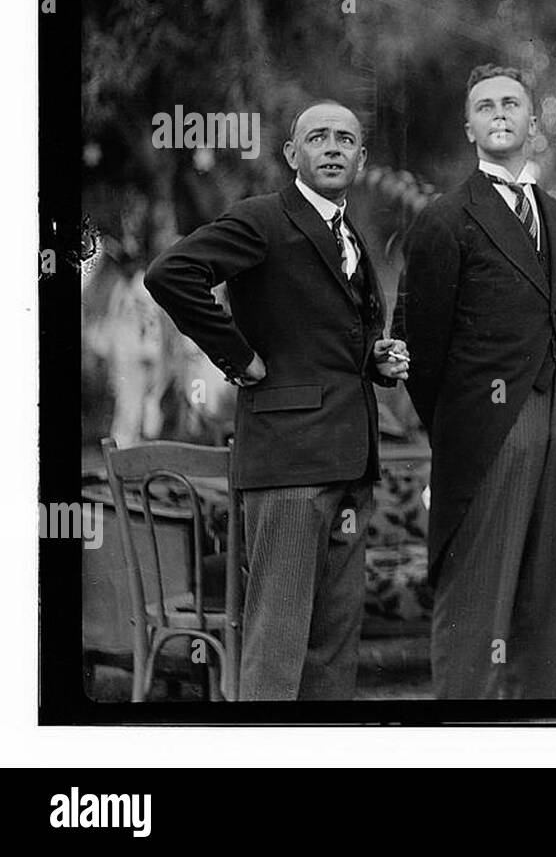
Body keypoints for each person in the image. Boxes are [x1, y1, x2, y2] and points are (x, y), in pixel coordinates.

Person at [145, 101, 409, 700]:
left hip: (349, 462)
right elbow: (171, 273)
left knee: (332, 653)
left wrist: (376, 358)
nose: (333, 147)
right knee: (277, 649)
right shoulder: (263, 219)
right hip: (288, 469)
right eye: (318, 137)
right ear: (293, 155)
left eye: (346, 139)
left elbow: (327, 337)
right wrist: (239, 356)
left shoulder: (349, 233)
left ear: (362, 159)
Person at [393, 64, 556, 699]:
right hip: (489, 431)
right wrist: (465, 427)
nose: (499, 113)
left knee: (549, 605)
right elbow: (417, 343)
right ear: (469, 126)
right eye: (484, 105)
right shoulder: (446, 218)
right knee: (477, 606)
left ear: (533, 121)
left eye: (511, 103)